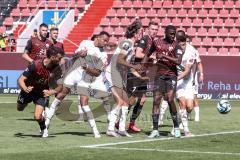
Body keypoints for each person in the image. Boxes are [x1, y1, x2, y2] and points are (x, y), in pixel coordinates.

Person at [45, 31, 110, 138]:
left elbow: (98, 73)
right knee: (60, 96)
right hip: (74, 73)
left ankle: (95, 131)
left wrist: (88, 68)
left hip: (85, 78)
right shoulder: (85, 42)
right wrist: (79, 54)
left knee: (84, 103)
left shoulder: (103, 54)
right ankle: (46, 125)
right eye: (104, 40)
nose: (105, 43)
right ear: (98, 38)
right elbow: (74, 56)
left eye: (107, 41)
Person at [105, 20, 146, 137]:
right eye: (141, 32)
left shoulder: (132, 45)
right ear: (136, 33)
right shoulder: (127, 43)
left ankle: (122, 129)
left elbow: (129, 67)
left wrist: (140, 77)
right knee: (120, 102)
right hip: (113, 73)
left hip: (119, 75)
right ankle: (110, 129)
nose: (142, 35)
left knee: (125, 102)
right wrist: (134, 66)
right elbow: (119, 59)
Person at [16, 46, 64, 138]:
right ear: (52, 57)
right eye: (59, 58)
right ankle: (25, 103)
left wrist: (51, 92)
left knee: (37, 117)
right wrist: (25, 88)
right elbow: (21, 80)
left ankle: (43, 129)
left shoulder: (57, 69)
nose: (61, 60)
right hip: (28, 91)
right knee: (20, 108)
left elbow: (60, 87)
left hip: (41, 93)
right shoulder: (35, 64)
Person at [148, 25, 182, 138]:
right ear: (166, 33)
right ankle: (155, 130)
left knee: (170, 99)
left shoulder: (176, 45)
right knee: (156, 100)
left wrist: (163, 56)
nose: (173, 36)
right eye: (171, 33)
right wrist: (142, 65)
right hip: (159, 75)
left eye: (174, 34)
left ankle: (176, 127)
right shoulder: (156, 42)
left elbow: (178, 61)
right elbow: (148, 53)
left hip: (171, 75)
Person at [127, 21, 159, 132]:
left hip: (143, 73)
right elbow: (138, 54)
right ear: (148, 30)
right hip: (136, 73)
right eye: (153, 29)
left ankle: (131, 123)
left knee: (142, 100)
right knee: (132, 99)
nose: (154, 31)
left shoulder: (153, 42)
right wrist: (151, 57)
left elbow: (148, 58)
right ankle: (119, 122)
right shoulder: (145, 39)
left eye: (156, 29)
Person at [186, 35, 204, 122]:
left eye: (188, 41)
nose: (187, 43)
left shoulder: (194, 51)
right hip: (183, 79)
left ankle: (197, 115)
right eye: (185, 41)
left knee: (194, 97)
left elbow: (199, 63)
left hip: (193, 79)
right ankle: (186, 115)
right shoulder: (181, 51)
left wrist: (201, 74)